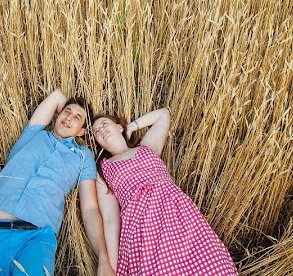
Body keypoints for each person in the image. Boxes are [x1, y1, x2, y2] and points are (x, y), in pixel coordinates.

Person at [0, 90, 113, 276]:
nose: (69, 117)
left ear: (83, 131)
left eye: (77, 117)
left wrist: (103, 259)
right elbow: (57, 96)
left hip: (36, 239)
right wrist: (70, 111)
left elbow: (90, 208)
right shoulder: (33, 134)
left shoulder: (83, 157)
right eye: (66, 111)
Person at [90, 108, 238, 275]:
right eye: (96, 132)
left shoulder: (147, 147)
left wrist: (131, 126)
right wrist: (112, 267)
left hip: (179, 214)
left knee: (212, 263)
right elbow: (110, 220)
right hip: (142, 223)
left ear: (119, 127)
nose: (101, 130)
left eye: (104, 124)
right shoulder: (103, 169)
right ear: (98, 142)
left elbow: (164, 114)